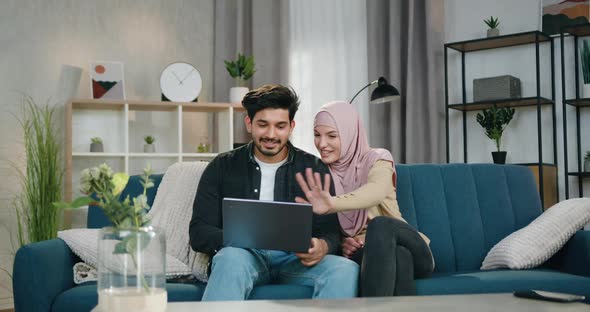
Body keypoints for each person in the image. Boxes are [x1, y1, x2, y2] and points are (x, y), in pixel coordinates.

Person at [189, 86, 359, 301]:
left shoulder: (313, 167)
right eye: (263, 125)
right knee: (230, 259)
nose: (271, 134)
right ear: (249, 124)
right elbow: (198, 233)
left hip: (296, 261)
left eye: (280, 126)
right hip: (243, 257)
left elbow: (331, 232)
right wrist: (241, 239)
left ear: (291, 126)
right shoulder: (222, 166)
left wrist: (322, 246)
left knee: (345, 269)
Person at [295, 100, 434, 297]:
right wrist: (343, 241)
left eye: (332, 136)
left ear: (351, 133)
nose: (322, 144)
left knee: (380, 226)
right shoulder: (321, 173)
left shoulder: (378, 158)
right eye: (317, 135)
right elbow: (323, 227)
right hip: (369, 253)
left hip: (413, 249)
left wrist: (331, 204)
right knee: (400, 258)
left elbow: (375, 191)